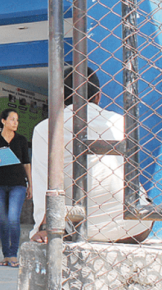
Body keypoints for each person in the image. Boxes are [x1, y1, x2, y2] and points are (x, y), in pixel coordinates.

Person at [30, 67, 152, 244]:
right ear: (98, 96)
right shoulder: (120, 122)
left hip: (84, 227)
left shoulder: (45, 129)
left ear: (61, 99)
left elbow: (42, 182)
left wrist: (42, 227)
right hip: (135, 225)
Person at [0, 108, 32, 268]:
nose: (15, 123)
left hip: (18, 183)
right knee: (3, 221)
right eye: (12, 119)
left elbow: (26, 163)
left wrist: (30, 184)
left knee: (13, 219)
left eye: (17, 120)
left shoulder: (21, 140)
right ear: (3, 121)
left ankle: (13, 254)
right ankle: (6, 255)